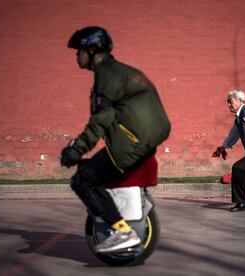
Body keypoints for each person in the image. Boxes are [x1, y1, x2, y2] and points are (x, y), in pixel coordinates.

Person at [60, 26, 171, 252]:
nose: (76, 55)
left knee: (82, 179)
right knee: (94, 172)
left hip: (131, 144)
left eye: (78, 50)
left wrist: (76, 149)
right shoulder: (122, 71)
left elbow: (101, 118)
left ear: (92, 50)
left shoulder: (107, 74)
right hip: (144, 141)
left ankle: (122, 230)